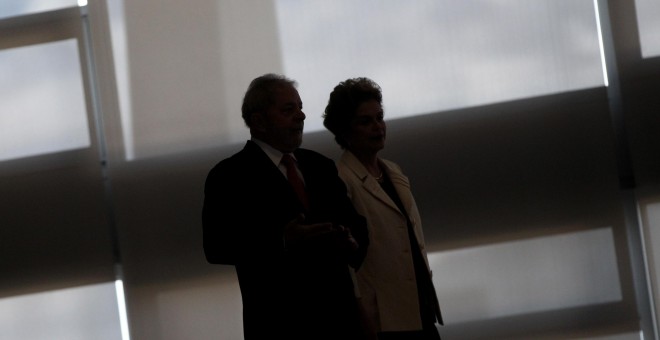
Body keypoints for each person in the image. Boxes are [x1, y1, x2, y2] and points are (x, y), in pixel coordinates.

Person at [202, 73, 369, 340]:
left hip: (341, 321)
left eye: (301, 108)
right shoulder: (229, 176)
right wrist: (282, 240)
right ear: (259, 121)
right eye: (289, 110)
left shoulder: (321, 166)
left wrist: (351, 241)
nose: (301, 116)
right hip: (279, 324)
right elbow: (217, 246)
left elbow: (357, 226)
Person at [323, 77, 443, 340]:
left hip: (420, 308)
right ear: (344, 131)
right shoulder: (340, 179)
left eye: (379, 117)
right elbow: (346, 261)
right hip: (383, 319)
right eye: (365, 122)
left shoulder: (393, 171)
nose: (378, 127)